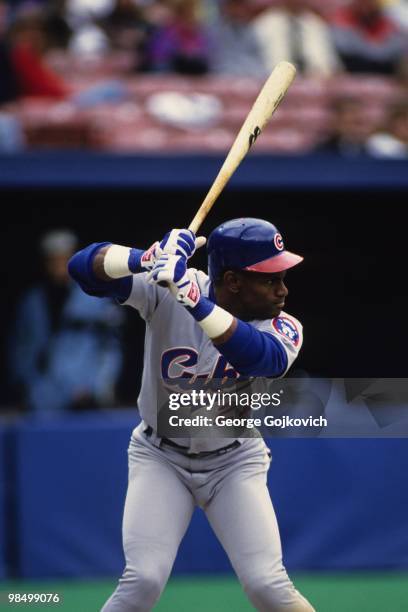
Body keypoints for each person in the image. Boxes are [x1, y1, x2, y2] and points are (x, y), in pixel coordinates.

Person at [68, 219, 315, 612]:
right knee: (142, 581)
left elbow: (259, 358)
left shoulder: (283, 325)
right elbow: (82, 268)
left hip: (234, 461)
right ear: (233, 280)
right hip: (160, 457)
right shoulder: (171, 285)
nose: (282, 289)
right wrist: (143, 259)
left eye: (281, 277)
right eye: (269, 279)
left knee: (267, 585)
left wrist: (195, 303)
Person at [10, 229, 124, 414]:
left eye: (63, 259)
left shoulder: (95, 296)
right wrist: (26, 385)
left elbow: (110, 345)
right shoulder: (32, 301)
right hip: (43, 395)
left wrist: (100, 386)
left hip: (86, 394)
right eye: (53, 260)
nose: (58, 266)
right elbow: (21, 346)